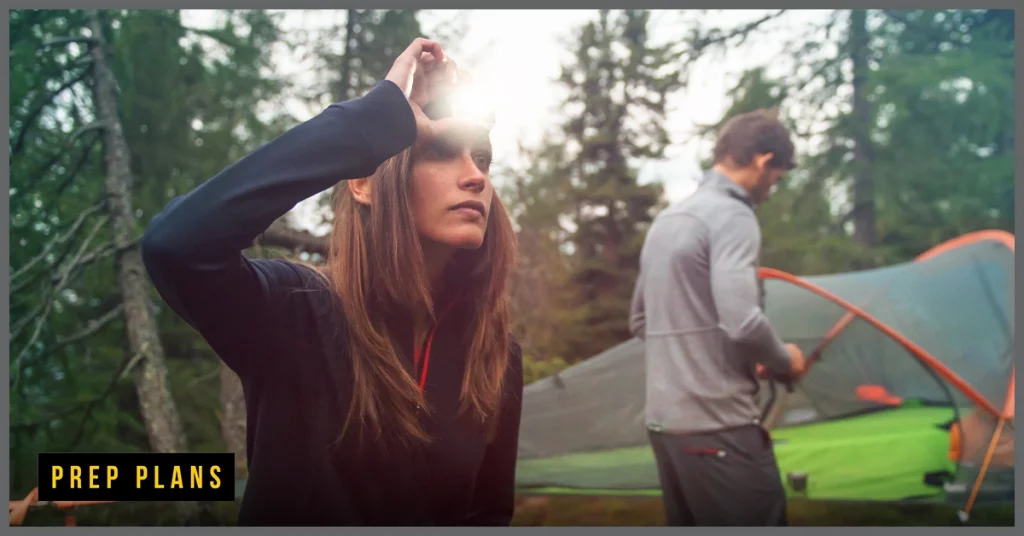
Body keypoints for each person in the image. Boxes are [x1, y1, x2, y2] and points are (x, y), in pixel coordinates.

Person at [142, 38, 523, 526]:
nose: (476, 177)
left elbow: (487, 514)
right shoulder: (293, 312)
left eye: (484, 159)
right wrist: (374, 123)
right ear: (363, 183)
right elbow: (177, 245)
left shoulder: (495, 353)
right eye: (442, 151)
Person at [628, 108, 806, 526]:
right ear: (763, 162)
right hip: (720, 428)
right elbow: (743, 322)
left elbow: (640, 321)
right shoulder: (733, 216)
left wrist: (730, 356)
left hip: (666, 429)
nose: (771, 190)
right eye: (777, 178)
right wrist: (785, 360)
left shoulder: (669, 220)